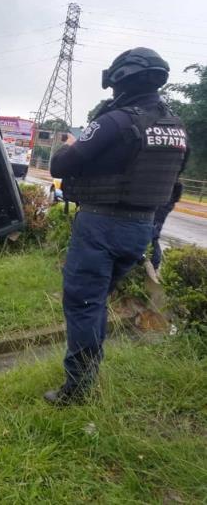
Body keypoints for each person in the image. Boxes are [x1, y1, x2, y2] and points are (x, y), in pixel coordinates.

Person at [46, 47, 188, 406]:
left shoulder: (117, 120)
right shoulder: (176, 127)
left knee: (82, 303)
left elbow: (61, 165)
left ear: (121, 80)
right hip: (142, 228)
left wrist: (72, 143)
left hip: (101, 225)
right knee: (95, 301)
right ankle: (90, 366)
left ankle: (78, 387)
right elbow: (172, 185)